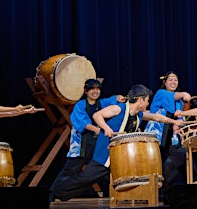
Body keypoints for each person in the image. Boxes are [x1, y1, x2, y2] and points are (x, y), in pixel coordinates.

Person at [51, 84, 184, 201]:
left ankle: (141, 197)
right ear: (140, 99)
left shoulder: (139, 114)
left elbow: (156, 117)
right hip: (105, 154)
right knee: (86, 179)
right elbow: (97, 116)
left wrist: (174, 122)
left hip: (121, 157)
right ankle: (54, 193)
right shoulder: (118, 109)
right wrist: (106, 128)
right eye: (147, 100)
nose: (148, 103)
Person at [49, 79, 125, 201]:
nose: (95, 91)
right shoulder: (80, 105)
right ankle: (52, 194)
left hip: (97, 144)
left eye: (98, 88)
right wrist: (96, 129)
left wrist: (119, 98)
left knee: (102, 170)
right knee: (71, 169)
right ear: (86, 91)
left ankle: (112, 194)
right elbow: (81, 122)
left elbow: (113, 100)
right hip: (82, 143)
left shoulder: (102, 103)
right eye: (92, 89)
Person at [144, 71, 191, 195]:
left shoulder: (178, 100)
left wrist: (179, 122)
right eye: (170, 79)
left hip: (171, 135)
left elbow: (179, 116)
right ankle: (152, 190)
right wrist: (184, 94)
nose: (173, 82)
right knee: (155, 162)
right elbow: (173, 97)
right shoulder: (161, 93)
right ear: (164, 82)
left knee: (179, 156)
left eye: (175, 80)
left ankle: (163, 189)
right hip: (158, 132)